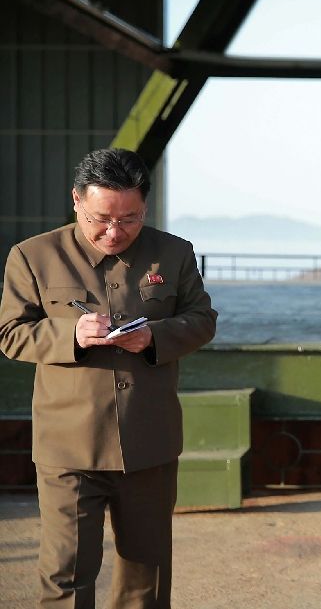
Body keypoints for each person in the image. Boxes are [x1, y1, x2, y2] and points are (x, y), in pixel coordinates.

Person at [0, 148, 217, 608]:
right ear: (77, 200)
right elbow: (11, 334)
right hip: (68, 447)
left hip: (149, 441)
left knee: (146, 577)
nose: (114, 232)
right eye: (101, 218)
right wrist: (71, 335)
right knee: (65, 576)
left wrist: (154, 338)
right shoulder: (33, 256)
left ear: (145, 208)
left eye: (130, 219)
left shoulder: (174, 253)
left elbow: (202, 319)